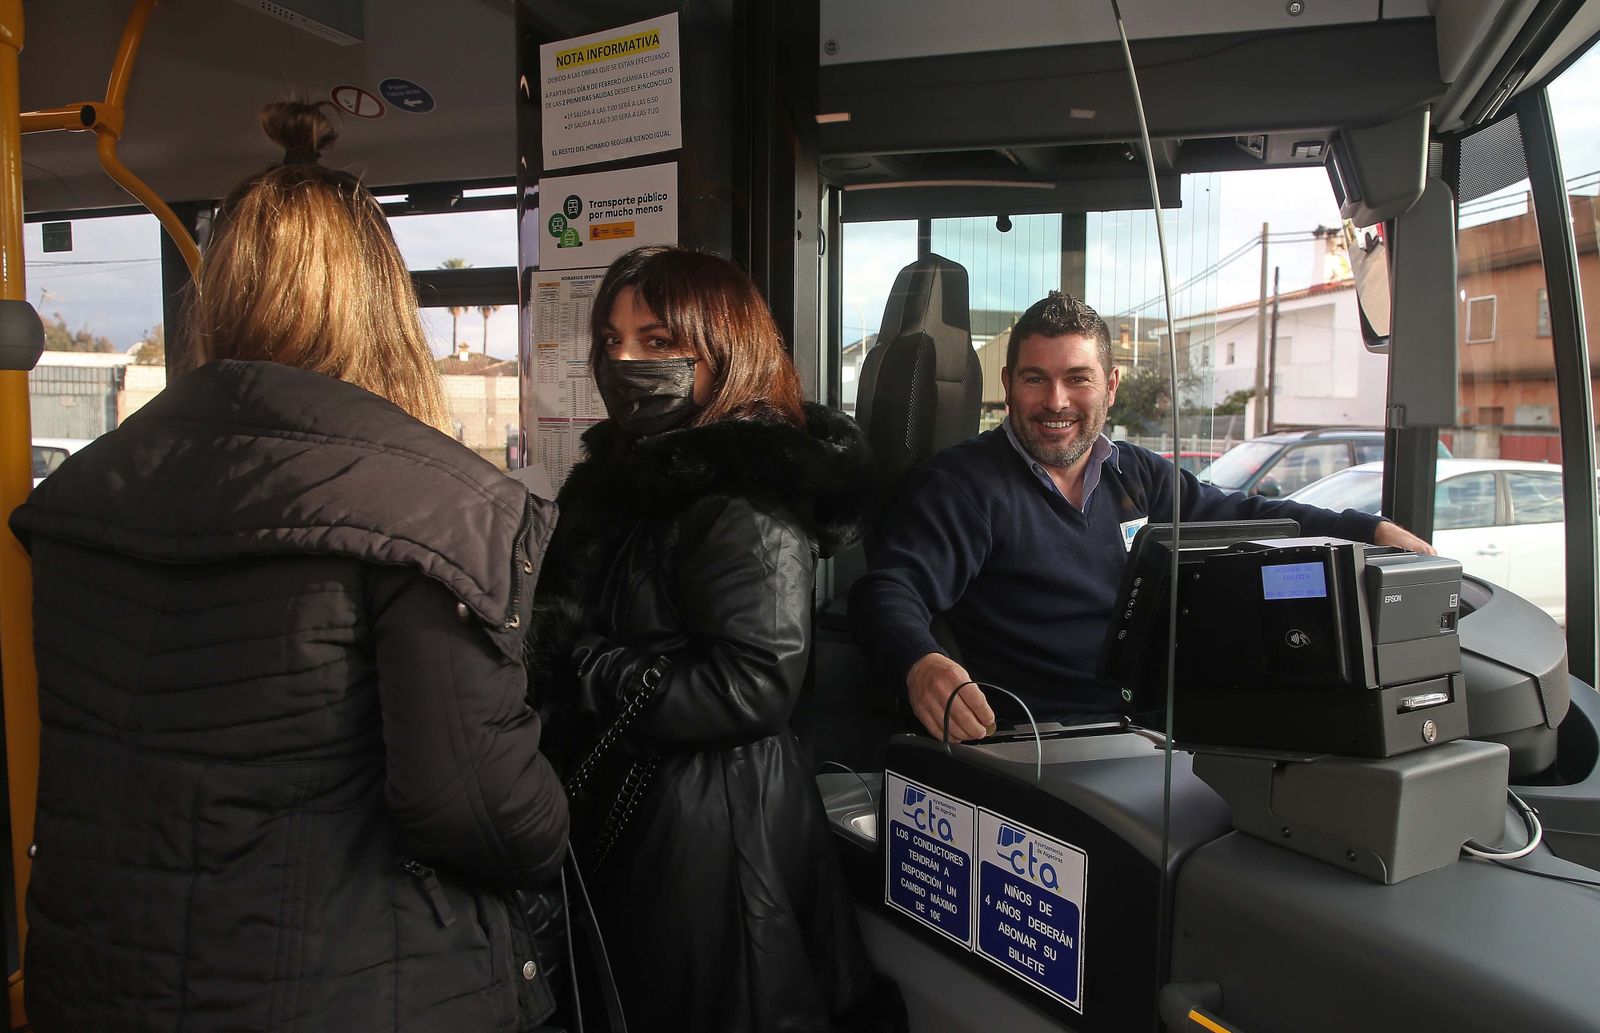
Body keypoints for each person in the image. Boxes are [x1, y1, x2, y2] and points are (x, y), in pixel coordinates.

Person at [10, 101, 568, 1031]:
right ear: (384, 303)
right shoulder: (433, 505)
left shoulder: (82, 496)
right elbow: (475, 807)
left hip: (94, 975)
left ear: (220, 294)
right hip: (337, 987)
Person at [529, 245, 898, 1032]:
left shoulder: (740, 496)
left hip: (710, 845)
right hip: (651, 819)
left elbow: (753, 684)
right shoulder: (643, 482)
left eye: (658, 341)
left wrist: (579, 662)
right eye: (611, 339)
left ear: (725, 348)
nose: (624, 359)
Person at [850, 290, 1435, 742]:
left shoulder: (1137, 474)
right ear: (1008, 385)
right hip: (1050, 746)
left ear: (1110, 385)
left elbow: (1245, 515)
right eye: (1035, 379)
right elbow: (888, 590)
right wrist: (919, 662)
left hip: (1161, 729)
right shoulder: (961, 488)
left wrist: (1370, 531)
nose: (1056, 402)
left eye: (1076, 379)